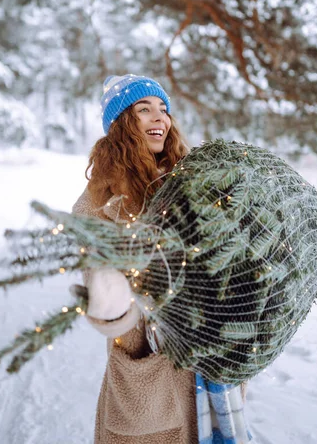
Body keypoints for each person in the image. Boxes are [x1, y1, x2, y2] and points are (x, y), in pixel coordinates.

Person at [71, 74, 251, 444]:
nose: (160, 118)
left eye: (163, 109)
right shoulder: (96, 203)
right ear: (122, 123)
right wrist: (110, 292)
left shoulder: (191, 180)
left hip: (209, 364)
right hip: (150, 378)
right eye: (144, 109)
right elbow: (104, 300)